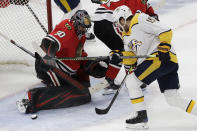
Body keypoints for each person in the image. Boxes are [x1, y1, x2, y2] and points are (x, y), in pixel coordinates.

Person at [105, 5, 197, 129]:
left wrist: (164, 47)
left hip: (160, 58)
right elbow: (132, 57)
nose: (117, 26)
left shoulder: (139, 19)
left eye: (118, 22)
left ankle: (141, 118)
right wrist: (119, 55)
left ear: (123, 18)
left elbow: (165, 30)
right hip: (163, 62)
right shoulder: (125, 36)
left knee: (132, 81)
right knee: (172, 98)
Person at [16, 10, 107, 114]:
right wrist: (48, 57)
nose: (84, 30)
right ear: (76, 23)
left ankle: (51, 85)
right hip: (49, 67)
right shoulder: (67, 28)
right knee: (80, 96)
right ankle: (32, 99)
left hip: (65, 69)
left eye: (85, 27)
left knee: (84, 92)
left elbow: (78, 55)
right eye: (82, 26)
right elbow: (48, 42)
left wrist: (95, 66)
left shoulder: (80, 35)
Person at [91, 0, 157, 95]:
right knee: (126, 50)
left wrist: (153, 16)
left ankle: (110, 81)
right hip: (108, 22)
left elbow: (149, 11)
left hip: (99, 25)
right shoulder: (136, 2)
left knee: (119, 51)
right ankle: (130, 80)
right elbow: (130, 23)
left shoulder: (143, 3)